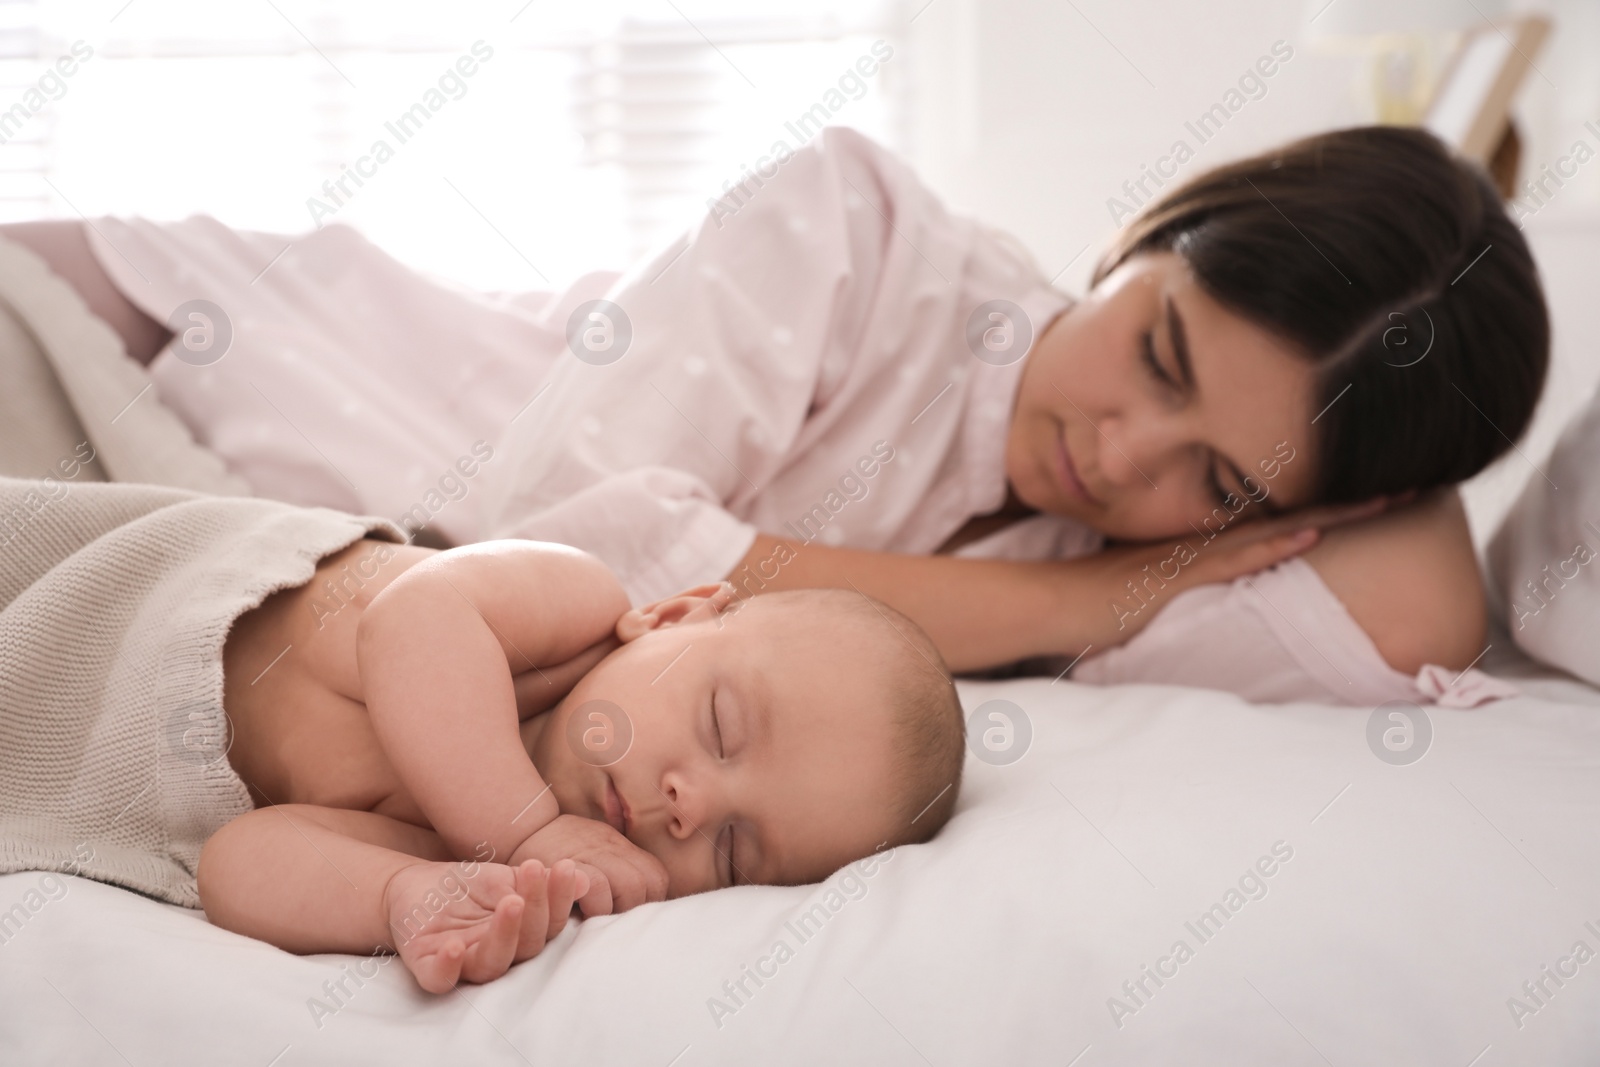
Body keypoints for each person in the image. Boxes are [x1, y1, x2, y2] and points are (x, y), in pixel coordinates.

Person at [1, 123, 1548, 704]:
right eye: (1157, 348)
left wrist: (1318, 489)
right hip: (148, 350)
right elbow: (577, 537)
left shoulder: (1132, 542)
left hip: (268, 548)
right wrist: (1073, 594)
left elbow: (1426, 619)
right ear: (1151, 231)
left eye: (1213, 472)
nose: (1117, 452)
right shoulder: (857, 225)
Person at [198, 534, 963, 993]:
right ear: (668, 617)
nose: (688, 806)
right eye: (721, 725)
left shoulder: (478, 854)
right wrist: (524, 829)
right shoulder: (573, 609)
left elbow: (236, 861)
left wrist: (400, 894)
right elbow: (410, 615)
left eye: (733, 848)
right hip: (159, 583)